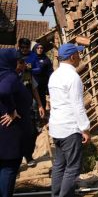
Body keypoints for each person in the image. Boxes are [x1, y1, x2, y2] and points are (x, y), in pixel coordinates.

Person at [48, 43, 91, 197]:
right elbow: (78, 106)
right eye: (78, 54)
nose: (80, 57)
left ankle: (57, 194)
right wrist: (85, 128)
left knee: (59, 165)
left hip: (57, 127)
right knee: (72, 167)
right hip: (69, 128)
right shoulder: (73, 77)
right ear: (72, 57)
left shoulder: (54, 75)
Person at [0, 48, 32, 197]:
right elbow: (4, 91)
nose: (23, 65)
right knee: (9, 168)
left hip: (4, 134)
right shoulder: (10, 77)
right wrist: (12, 110)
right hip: (10, 135)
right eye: (19, 62)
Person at [16, 38, 46, 167]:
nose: (24, 50)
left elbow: (33, 88)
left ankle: (28, 156)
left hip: (29, 104)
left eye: (26, 48)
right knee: (17, 132)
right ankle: (16, 160)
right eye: (22, 48)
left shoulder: (29, 71)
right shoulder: (10, 73)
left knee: (32, 131)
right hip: (15, 106)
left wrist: (39, 104)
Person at [32, 43, 53, 111]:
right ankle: (35, 118)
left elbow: (50, 71)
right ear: (35, 49)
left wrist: (51, 80)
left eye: (41, 48)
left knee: (42, 99)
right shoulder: (31, 58)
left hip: (43, 84)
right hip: (33, 83)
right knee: (34, 102)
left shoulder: (46, 59)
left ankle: (42, 117)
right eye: (38, 48)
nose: (39, 49)